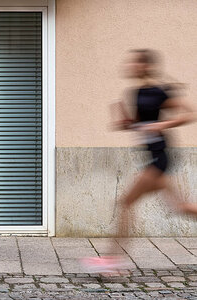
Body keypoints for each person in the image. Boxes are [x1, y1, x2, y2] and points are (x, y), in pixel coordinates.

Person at [81, 49, 197, 274]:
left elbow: (189, 114)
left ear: (145, 66)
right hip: (151, 157)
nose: (130, 65)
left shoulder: (160, 91)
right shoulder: (135, 93)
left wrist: (160, 125)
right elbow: (137, 123)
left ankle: (114, 261)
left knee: (126, 202)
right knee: (180, 207)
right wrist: (125, 122)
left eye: (134, 62)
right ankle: (114, 261)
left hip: (159, 157)